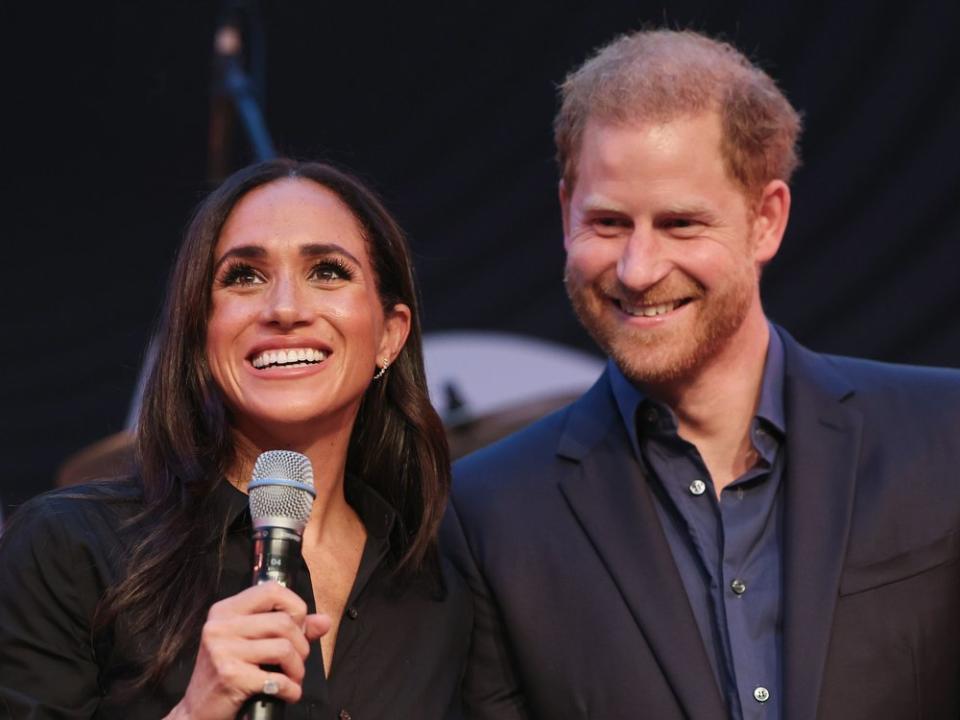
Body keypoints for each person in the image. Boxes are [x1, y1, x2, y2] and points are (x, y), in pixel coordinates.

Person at [442, 29, 960, 720]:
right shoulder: (488, 515)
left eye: (681, 223)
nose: (638, 268)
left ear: (766, 220)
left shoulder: (943, 437)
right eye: (608, 222)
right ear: (565, 214)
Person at [0, 159, 471, 718]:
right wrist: (196, 711)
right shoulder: (69, 548)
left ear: (390, 335)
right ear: (201, 332)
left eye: (327, 271)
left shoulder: (441, 584)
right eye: (243, 277)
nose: (286, 310)